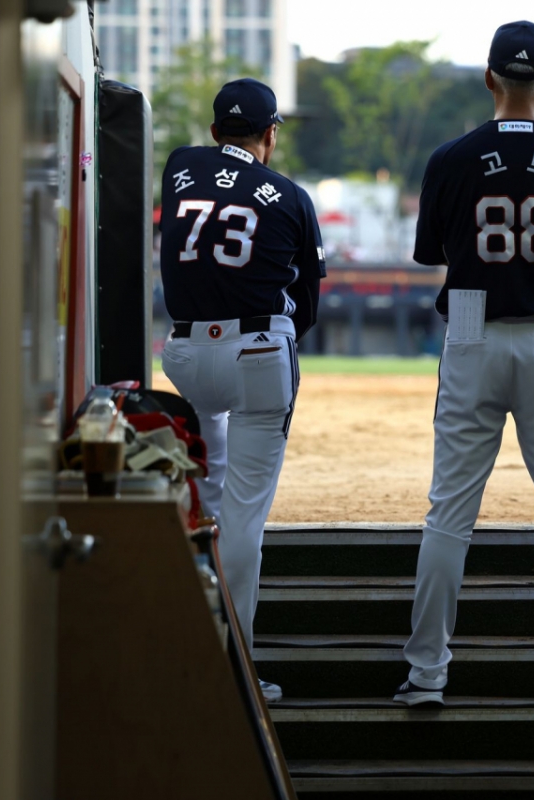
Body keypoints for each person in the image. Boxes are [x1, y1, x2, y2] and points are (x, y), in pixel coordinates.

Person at [394, 21, 534, 707]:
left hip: (473, 323)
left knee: (449, 511)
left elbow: (434, 253)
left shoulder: (451, 158)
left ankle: (427, 675)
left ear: (487, 80)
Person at [159, 78, 325, 702]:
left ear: (212, 132)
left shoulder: (180, 165)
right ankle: (235, 669)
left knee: (204, 495)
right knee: (243, 518)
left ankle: (183, 645)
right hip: (257, 351)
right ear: (270, 135)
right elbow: (307, 299)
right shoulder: (289, 195)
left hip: (184, 352)